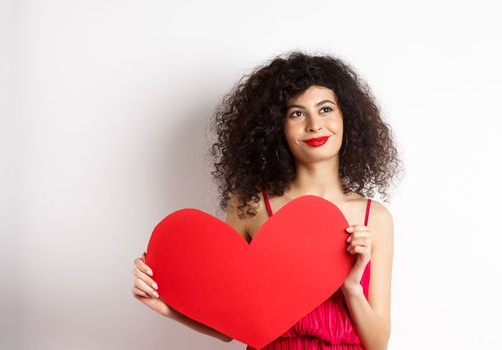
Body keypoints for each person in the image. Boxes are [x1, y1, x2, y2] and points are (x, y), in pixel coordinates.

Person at [131, 51, 402, 349]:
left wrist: (352, 287)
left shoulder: (374, 218)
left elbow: (378, 343)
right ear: (277, 128)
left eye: (325, 109)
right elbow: (228, 325)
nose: (314, 124)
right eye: (296, 113)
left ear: (346, 117)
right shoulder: (251, 206)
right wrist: (164, 306)